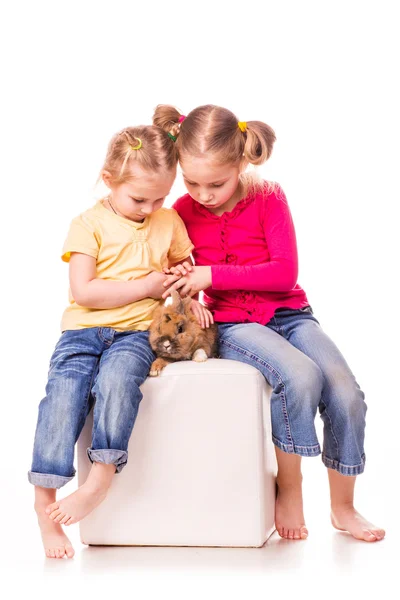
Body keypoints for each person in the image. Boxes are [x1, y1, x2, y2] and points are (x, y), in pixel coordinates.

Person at [153, 104, 385, 543]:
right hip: (233, 324)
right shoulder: (181, 210)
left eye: (216, 183)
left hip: (290, 314)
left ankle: (343, 506)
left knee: (345, 392)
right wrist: (191, 291)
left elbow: (284, 273)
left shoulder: (269, 196)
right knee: (298, 377)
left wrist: (212, 274)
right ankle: (290, 486)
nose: (203, 194)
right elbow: (181, 273)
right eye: (192, 182)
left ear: (242, 161)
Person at [28, 124, 207, 559]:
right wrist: (147, 285)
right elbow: (85, 291)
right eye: (139, 199)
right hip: (82, 332)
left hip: (135, 333)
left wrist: (187, 288)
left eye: (160, 198)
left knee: (118, 382)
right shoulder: (87, 225)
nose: (150, 208)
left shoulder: (167, 220)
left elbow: (186, 266)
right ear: (109, 180)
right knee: (63, 397)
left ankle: (101, 479)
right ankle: (44, 506)